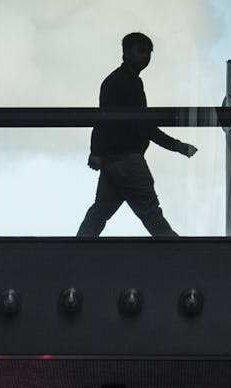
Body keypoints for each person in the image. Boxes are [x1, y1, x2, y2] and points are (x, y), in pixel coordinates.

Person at [77, 32, 199, 238]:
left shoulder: (117, 81)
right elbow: (142, 124)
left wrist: (96, 152)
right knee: (150, 211)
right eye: (141, 51)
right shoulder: (127, 82)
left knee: (100, 211)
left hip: (112, 160)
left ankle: (75, 251)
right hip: (127, 158)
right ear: (126, 53)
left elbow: (103, 119)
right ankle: (179, 253)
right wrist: (177, 145)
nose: (146, 57)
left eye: (148, 53)